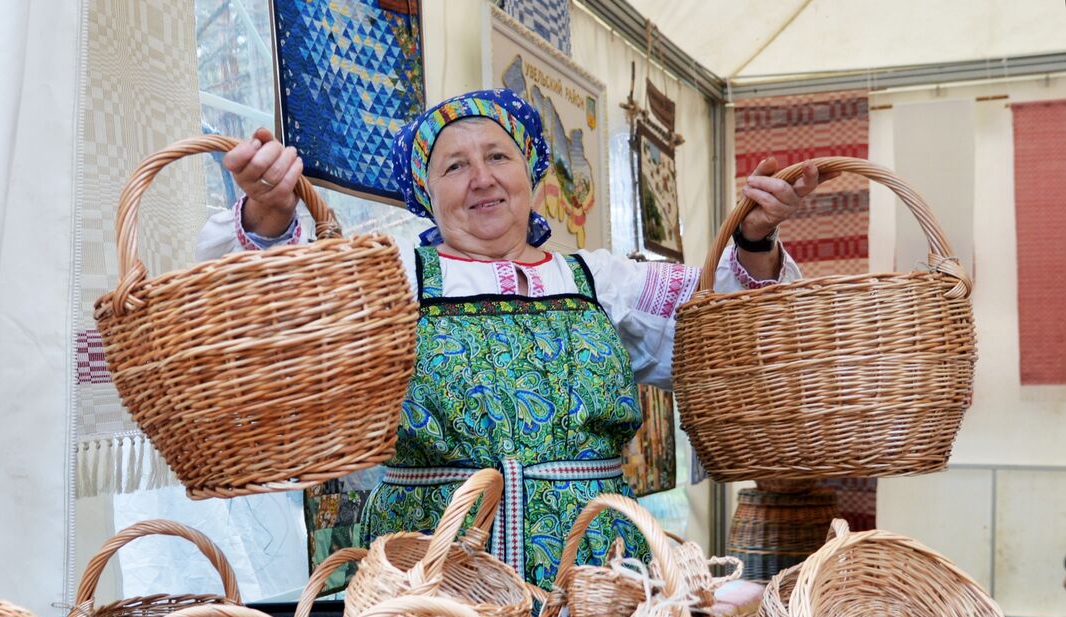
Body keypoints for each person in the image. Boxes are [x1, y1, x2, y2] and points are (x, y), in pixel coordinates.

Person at [197, 89, 816, 589]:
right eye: (455, 166)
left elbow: (722, 323)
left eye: (498, 157)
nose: (482, 179)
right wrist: (270, 217)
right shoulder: (393, 279)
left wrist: (755, 238)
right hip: (434, 569)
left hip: (597, 567)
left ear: (531, 173)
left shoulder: (599, 279)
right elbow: (277, 314)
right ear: (427, 194)